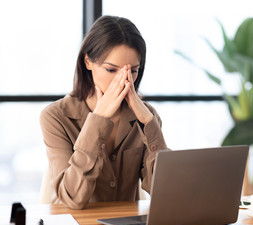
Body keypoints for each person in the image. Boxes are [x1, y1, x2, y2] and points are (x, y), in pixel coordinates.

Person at [40, 15, 168, 209]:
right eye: (111, 70)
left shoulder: (147, 116)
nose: (124, 81)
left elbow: (165, 192)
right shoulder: (56, 116)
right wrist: (98, 120)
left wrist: (149, 125)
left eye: (132, 71)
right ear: (88, 62)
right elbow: (73, 197)